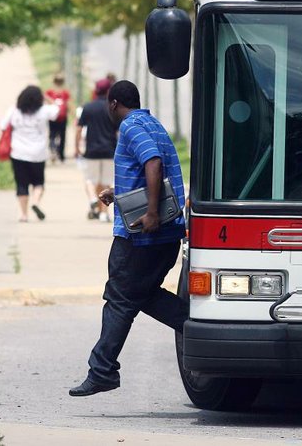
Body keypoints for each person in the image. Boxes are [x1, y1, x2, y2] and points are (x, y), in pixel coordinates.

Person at [69, 80, 187, 397]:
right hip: (167, 235)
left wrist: (149, 213)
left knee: (120, 298)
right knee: (140, 293)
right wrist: (117, 193)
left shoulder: (132, 126)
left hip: (140, 236)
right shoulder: (152, 122)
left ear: (113, 103)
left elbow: (152, 162)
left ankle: (102, 370)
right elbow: (147, 168)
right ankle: (197, 326)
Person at [0, 86, 60, 222]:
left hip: (18, 153)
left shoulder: (14, 110)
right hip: (38, 153)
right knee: (38, 182)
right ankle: (35, 202)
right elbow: (57, 110)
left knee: (21, 184)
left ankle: (23, 214)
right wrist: (48, 98)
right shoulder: (44, 110)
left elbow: (3, 126)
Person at [76, 78, 118, 221]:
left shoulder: (88, 107)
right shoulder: (112, 108)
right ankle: (104, 214)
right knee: (106, 182)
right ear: (108, 91)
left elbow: (79, 128)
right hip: (109, 150)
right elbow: (118, 131)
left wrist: (77, 147)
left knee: (90, 180)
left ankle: (93, 198)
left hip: (91, 151)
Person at [45, 72, 70, 163]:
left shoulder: (49, 92)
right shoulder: (65, 93)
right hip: (63, 118)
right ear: (62, 82)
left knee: (52, 134)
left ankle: (53, 149)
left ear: (54, 81)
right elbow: (67, 105)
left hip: (52, 118)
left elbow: (47, 104)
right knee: (62, 136)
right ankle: (61, 155)